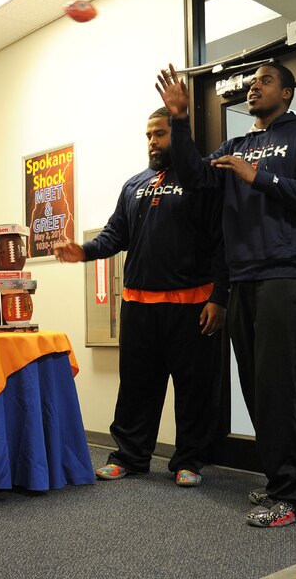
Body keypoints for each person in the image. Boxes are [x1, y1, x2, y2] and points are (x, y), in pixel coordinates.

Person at [156, 61, 296, 527]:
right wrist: (179, 119)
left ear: (288, 92)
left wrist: (260, 177)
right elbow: (196, 177)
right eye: (252, 83)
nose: (255, 88)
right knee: (257, 387)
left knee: (276, 385)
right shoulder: (236, 144)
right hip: (242, 278)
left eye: (266, 81)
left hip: (283, 273)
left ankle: (289, 494)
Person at [54, 107, 228, 488]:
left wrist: (220, 297)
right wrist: (83, 250)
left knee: (193, 388)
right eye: (149, 135)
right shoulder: (134, 185)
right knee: (136, 387)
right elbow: (115, 235)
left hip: (191, 306)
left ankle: (189, 460)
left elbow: (221, 243)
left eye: (161, 134)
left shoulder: (202, 182)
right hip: (139, 306)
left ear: (179, 135)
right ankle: (130, 457)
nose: (153, 142)